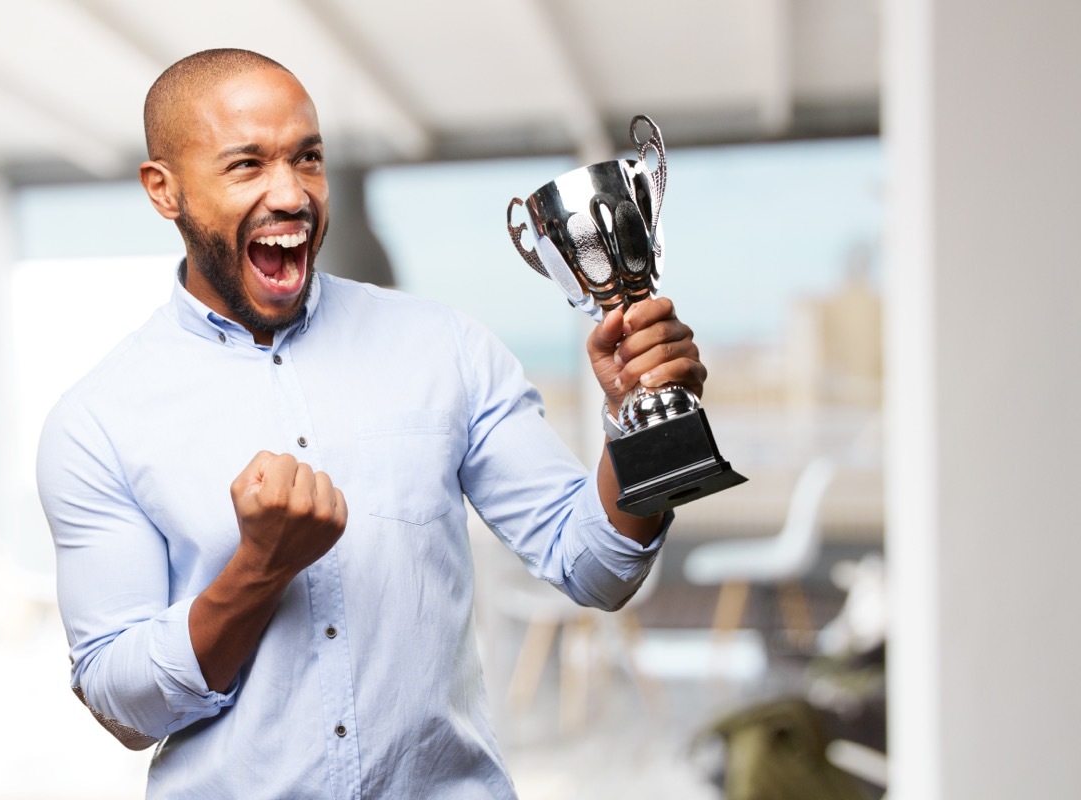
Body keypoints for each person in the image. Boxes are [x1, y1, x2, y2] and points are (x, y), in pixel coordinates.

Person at [37, 48, 707, 799]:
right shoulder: (96, 422)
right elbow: (123, 705)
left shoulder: (444, 348)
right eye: (247, 165)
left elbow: (598, 566)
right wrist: (260, 569)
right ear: (164, 189)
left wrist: (639, 421)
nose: (290, 193)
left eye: (308, 158)